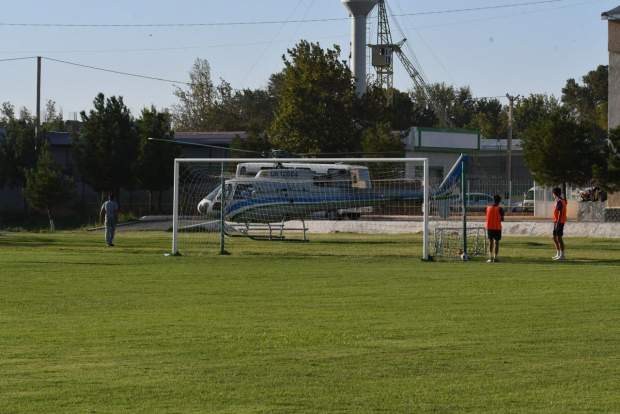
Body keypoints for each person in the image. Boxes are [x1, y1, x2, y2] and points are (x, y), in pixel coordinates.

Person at [485, 194, 505, 263]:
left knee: (490, 242)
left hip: (489, 227)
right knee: (496, 242)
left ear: (493, 200)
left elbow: (486, 215)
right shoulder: (500, 209)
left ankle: (490, 257)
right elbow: (502, 219)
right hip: (497, 227)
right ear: (499, 201)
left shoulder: (487, 208)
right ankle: (495, 258)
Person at [552, 187, 567, 261]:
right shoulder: (559, 201)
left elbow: (560, 213)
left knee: (559, 238)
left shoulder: (560, 201)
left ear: (554, 194)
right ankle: (558, 253)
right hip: (555, 221)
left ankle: (562, 255)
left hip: (559, 222)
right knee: (554, 237)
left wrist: (557, 224)